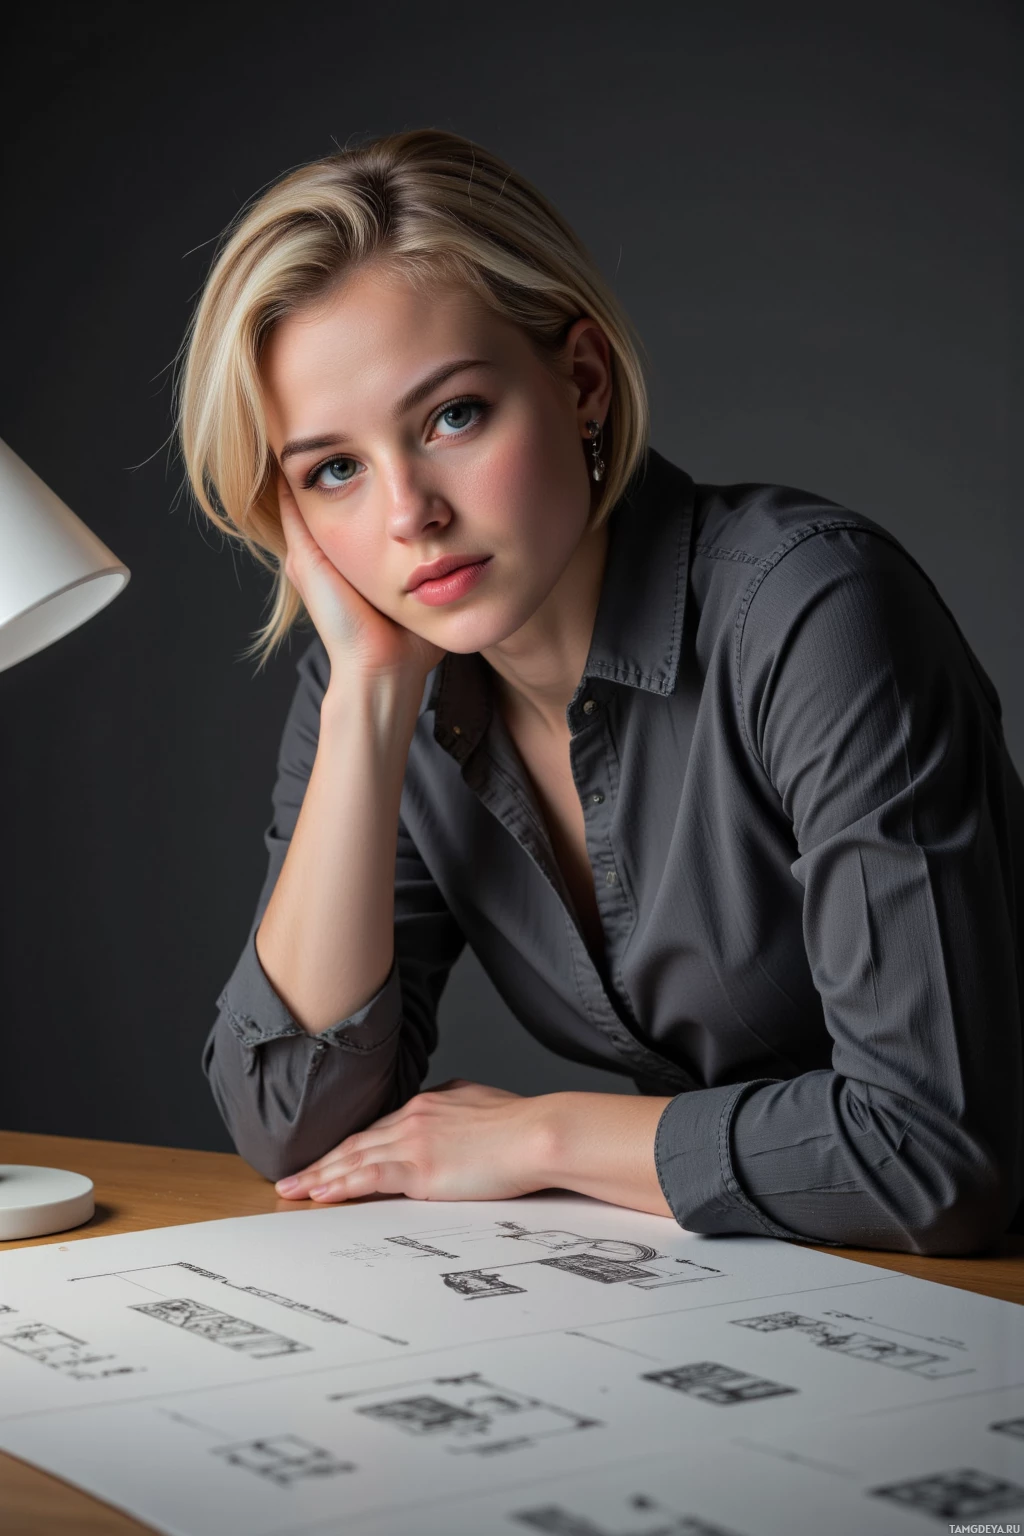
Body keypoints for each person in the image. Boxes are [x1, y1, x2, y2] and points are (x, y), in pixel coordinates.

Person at [177, 128, 1024, 1256]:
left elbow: (932, 1154)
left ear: (580, 381)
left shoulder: (811, 610)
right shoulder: (381, 684)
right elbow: (290, 1122)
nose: (408, 514)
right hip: (790, 1296)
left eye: (452, 416)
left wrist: (546, 1136)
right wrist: (369, 699)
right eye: (335, 470)